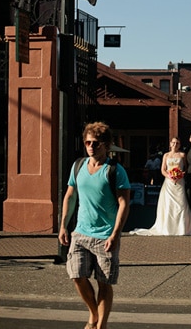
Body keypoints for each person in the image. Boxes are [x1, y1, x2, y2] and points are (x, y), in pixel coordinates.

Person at [58, 122, 131, 329]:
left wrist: (116, 234)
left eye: (96, 143)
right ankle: (93, 314)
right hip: (80, 233)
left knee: (104, 283)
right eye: (87, 142)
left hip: (105, 236)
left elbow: (124, 203)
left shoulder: (115, 171)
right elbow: (70, 196)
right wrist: (63, 225)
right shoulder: (78, 166)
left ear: (106, 145)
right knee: (77, 275)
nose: (91, 146)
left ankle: (101, 325)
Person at [130, 137, 191, 236]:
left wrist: (180, 175)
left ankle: (181, 228)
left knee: (181, 203)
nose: (175, 144)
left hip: (180, 182)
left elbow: (185, 168)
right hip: (169, 183)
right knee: (168, 204)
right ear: (170, 144)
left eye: (177, 143)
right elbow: (163, 169)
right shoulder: (166, 155)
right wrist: (169, 176)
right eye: (173, 143)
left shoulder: (182, 155)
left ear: (179, 144)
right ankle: (168, 228)